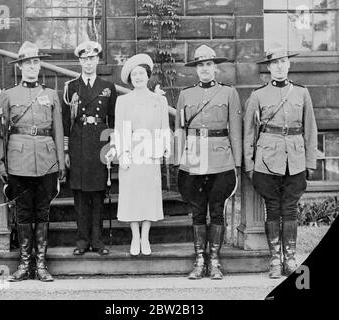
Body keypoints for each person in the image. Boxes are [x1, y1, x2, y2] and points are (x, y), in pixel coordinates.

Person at [243, 46, 317, 278]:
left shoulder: (302, 93)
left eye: (283, 61)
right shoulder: (258, 96)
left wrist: (310, 162)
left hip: (295, 159)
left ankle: (291, 259)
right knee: (272, 209)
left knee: (291, 210)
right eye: (274, 63)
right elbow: (248, 132)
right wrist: (249, 164)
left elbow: (310, 129)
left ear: (289, 64)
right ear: (268, 67)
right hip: (266, 161)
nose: (279, 66)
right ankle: (275, 260)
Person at [0, 41, 65, 282]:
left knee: (43, 211)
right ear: (20, 67)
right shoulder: (8, 95)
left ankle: (41, 265)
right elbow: (1, 132)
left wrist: (61, 162)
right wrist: (1, 162)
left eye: (35, 63)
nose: (32, 67)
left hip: (46, 159)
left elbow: (58, 129)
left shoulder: (50, 94)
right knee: (24, 212)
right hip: (18, 160)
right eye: (27, 63)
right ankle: (25, 264)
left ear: (40, 66)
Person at [174, 45, 242, 280]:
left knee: (217, 210)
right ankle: (199, 260)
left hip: (221, 158)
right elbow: (180, 129)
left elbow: (235, 130)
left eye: (208, 64)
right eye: (200, 65)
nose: (205, 69)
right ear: (196, 69)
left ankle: (214, 261)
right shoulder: (186, 94)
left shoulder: (229, 93)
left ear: (215, 67)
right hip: (193, 158)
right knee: (197, 211)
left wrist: (238, 162)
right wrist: (178, 158)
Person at [106, 53, 170, 256]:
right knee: (132, 195)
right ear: (130, 79)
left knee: (149, 194)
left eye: (142, 73)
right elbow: (119, 129)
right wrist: (121, 153)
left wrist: (163, 148)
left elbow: (163, 127)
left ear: (148, 76)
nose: (138, 77)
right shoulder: (123, 101)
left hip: (150, 153)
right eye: (134, 74)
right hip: (132, 153)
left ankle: (146, 236)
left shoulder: (158, 99)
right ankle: (135, 236)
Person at [62, 41, 117, 256]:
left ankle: (98, 240)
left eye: (92, 58)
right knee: (80, 196)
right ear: (79, 61)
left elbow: (112, 120)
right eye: (84, 59)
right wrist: (66, 150)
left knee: (98, 194)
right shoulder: (71, 87)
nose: (88, 62)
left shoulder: (108, 87)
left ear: (97, 60)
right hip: (78, 144)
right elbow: (66, 121)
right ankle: (82, 241)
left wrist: (112, 147)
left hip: (100, 143)